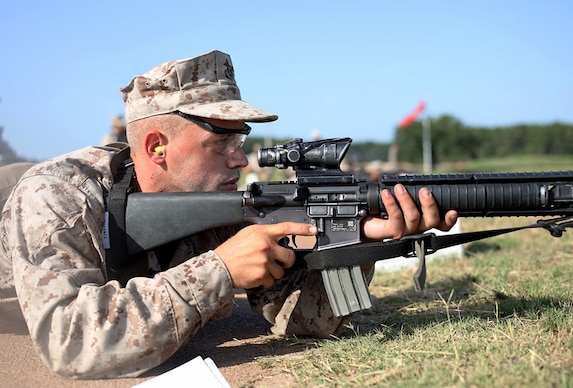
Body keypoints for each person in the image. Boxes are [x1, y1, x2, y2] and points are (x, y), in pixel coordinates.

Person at [0, 50, 458, 379]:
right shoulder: (57, 197)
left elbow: (305, 323)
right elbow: (70, 341)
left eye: (240, 142)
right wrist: (218, 270)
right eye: (220, 143)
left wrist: (357, 243)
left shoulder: (221, 202)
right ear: (157, 147)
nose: (241, 161)